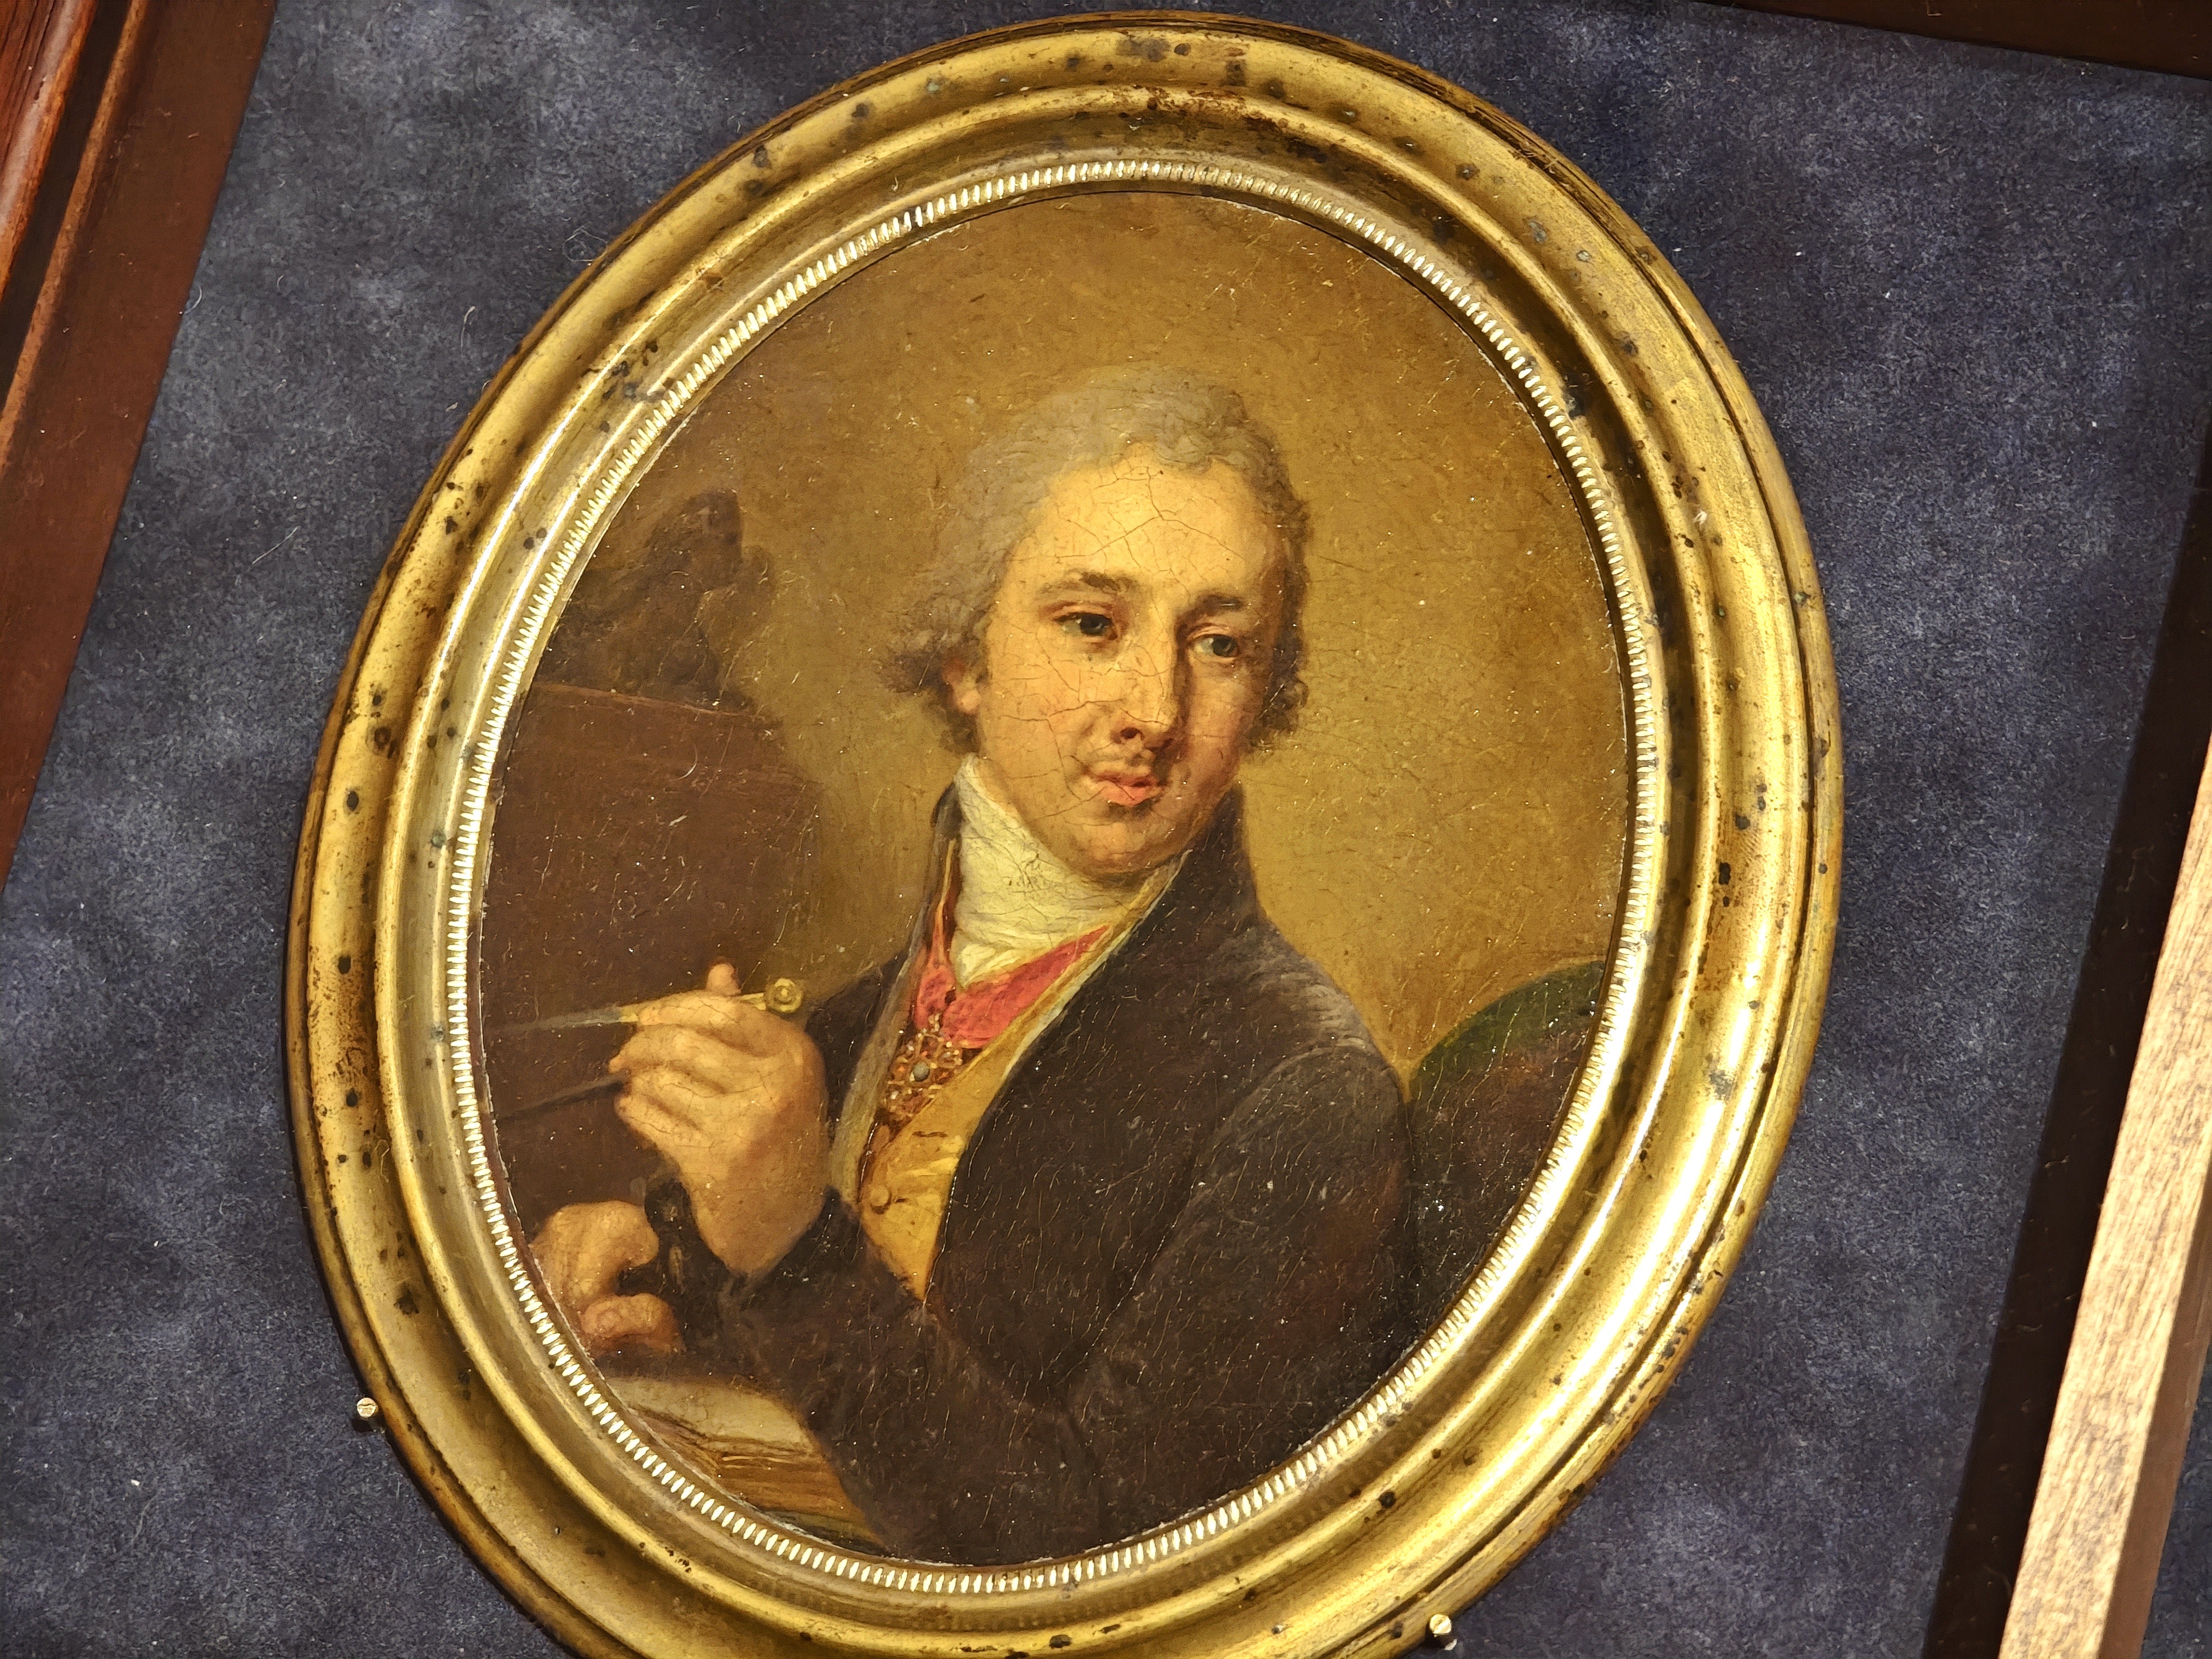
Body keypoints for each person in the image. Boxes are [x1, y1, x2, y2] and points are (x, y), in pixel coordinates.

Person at [530, 369, 1415, 1564]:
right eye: (1092, 625)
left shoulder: (1306, 1096)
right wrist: (661, 1276)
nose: (1153, 708)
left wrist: (794, 1249)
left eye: (1218, 645)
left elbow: (1100, 1566)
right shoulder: (855, 1024)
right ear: (964, 658)